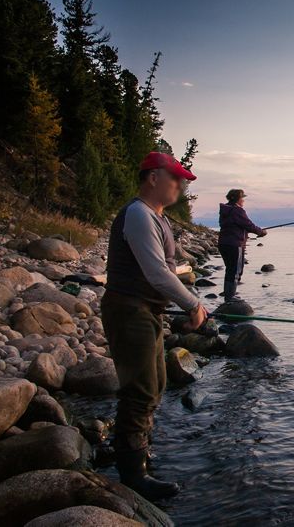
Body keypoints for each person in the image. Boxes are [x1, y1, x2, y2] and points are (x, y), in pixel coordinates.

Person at [102, 151, 209, 500]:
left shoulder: (157, 218)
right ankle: (133, 476)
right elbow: (156, 272)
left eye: (182, 179)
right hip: (129, 311)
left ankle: (133, 451)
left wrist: (186, 300)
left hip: (145, 311)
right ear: (152, 177)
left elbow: (165, 271)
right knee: (141, 390)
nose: (180, 184)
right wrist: (192, 303)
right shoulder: (138, 214)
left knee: (156, 382)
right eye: (174, 177)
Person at [218, 189, 266, 301]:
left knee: (230, 269)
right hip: (234, 244)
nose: (243, 200)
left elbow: (238, 225)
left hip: (223, 243)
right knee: (235, 271)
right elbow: (249, 225)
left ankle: (228, 296)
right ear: (237, 199)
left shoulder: (225, 210)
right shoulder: (237, 211)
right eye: (242, 198)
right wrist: (261, 232)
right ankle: (230, 297)